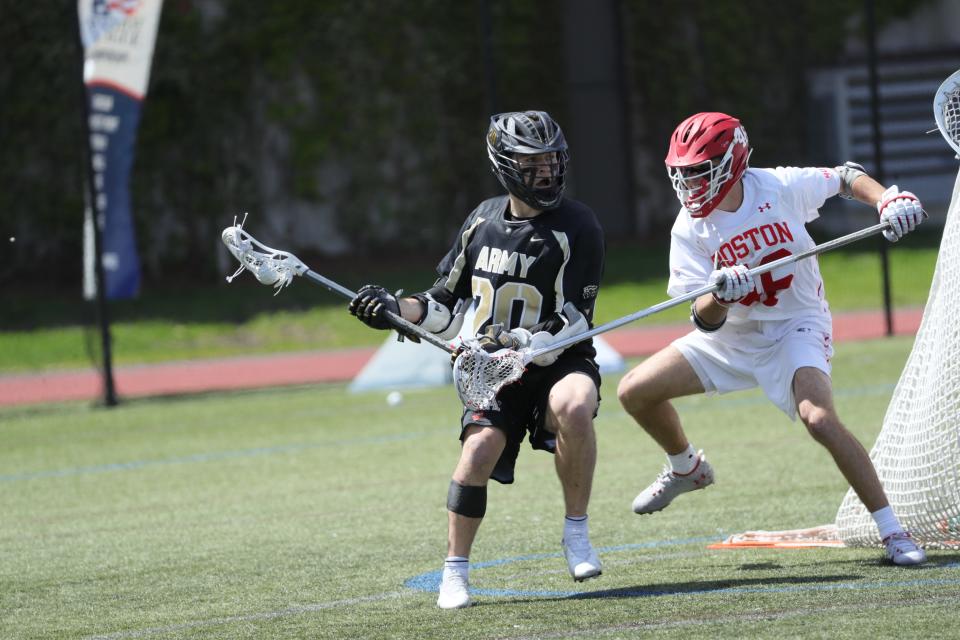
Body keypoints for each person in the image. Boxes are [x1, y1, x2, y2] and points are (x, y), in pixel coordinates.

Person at [617, 111, 927, 566]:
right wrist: (721, 296)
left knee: (818, 418)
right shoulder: (689, 228)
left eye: (700, 172)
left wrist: (886, 201)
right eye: (682, 174)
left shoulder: (776, 187)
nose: (690, 186)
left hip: (795, 325)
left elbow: (845, 177)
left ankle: (893, 532)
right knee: (633, 392)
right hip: (734, 336)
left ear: (733, 161)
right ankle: (686, 468)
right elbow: (702, 321)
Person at [348, 110, 606, 608]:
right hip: (494, 371)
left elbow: (578, 315)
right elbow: (443, 304)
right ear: (506, 166)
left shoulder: (578, 225)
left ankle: (576, 532)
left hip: (560, 358)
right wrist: (392, 309)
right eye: (533, 165)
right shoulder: (481, 221)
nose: (547, 173)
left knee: (575, 406)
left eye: (553, 161)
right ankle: (455, 572)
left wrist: (523, 343)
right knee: (477, 453)